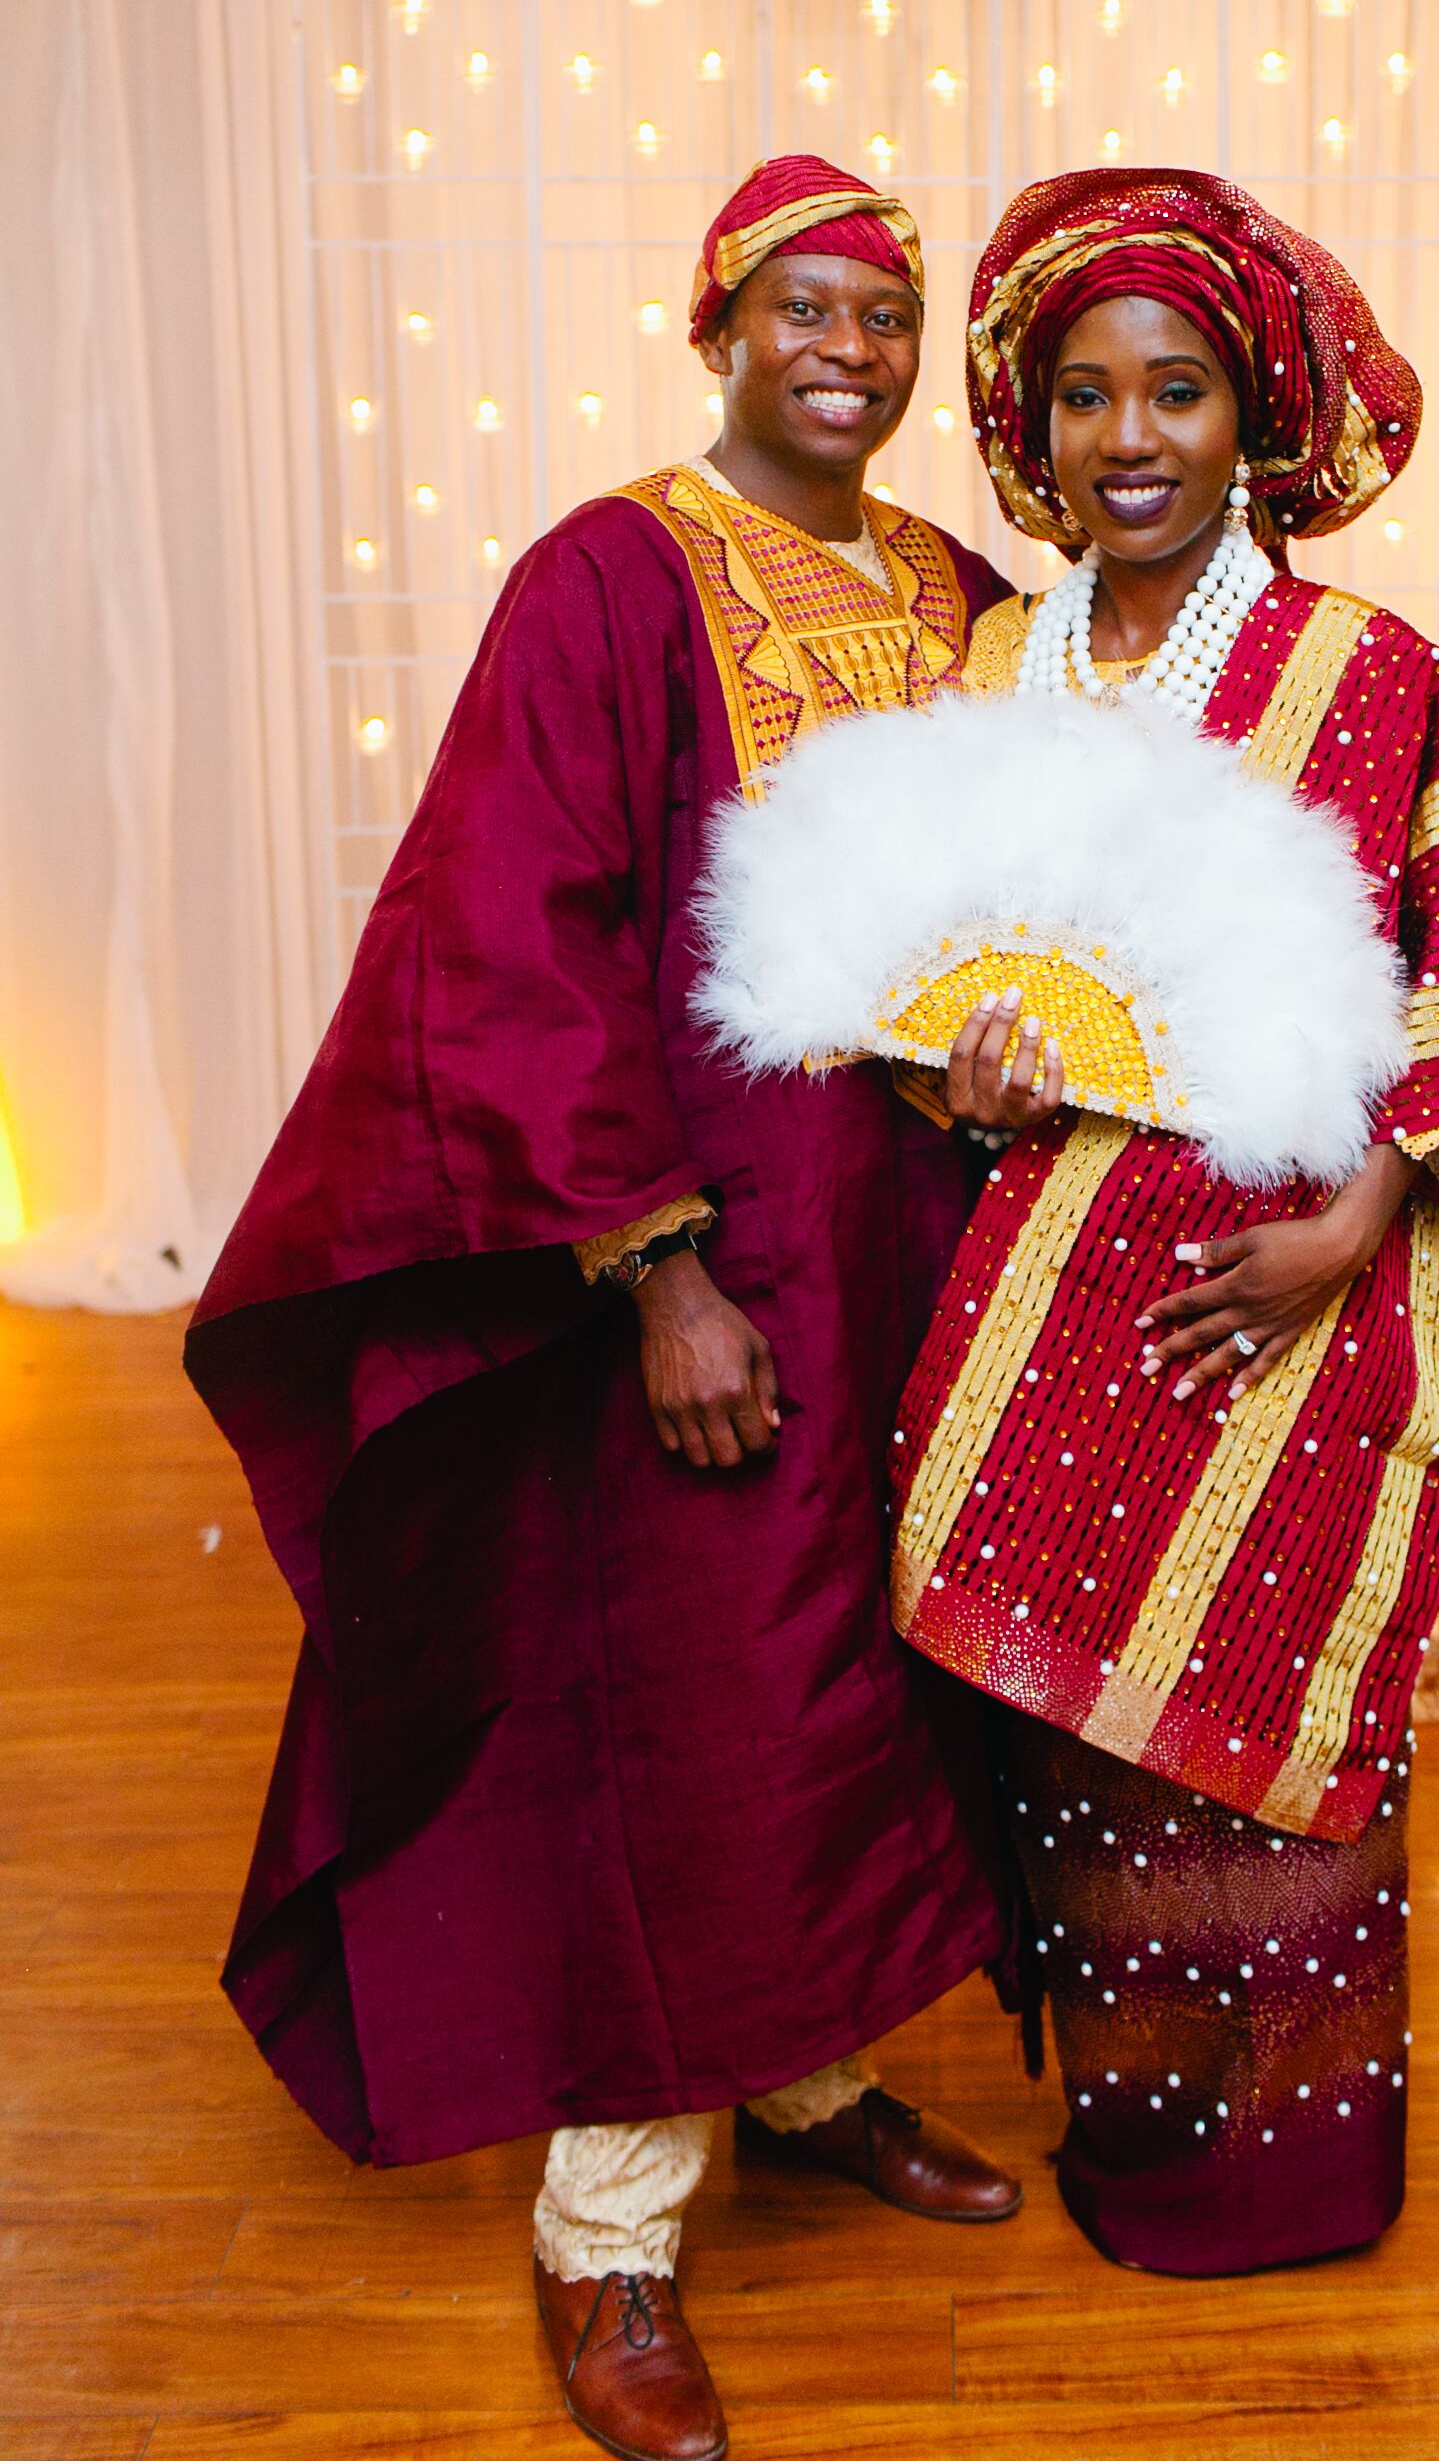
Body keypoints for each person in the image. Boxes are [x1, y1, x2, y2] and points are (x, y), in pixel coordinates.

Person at [185, 153, 1021, 2461]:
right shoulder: (611, 574)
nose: (849, 351)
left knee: (861, 1669)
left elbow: (1008, 892)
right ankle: (614, 2230)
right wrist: (656, 1275)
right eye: (805, 310)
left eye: (887, 316)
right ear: (717, 323)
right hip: (708, 1230)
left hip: (909, 1228)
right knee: (694, 1698)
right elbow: (510, 936)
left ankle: (816, 2073)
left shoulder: (954, 583)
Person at [888, 166, 1439, 2276]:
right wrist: (969, 1075)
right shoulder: (996, 658)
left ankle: (1293, 2178)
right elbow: (933, 986)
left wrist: (1356, 1228)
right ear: (1030, 429)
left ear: (1255, 423)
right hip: (1045, 1292)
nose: (1132, 439)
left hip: (1297, 1297)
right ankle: (1138, 2150)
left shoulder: (1372, 669)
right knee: (1086, 1769)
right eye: (1088, 396)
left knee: (1271, 1757)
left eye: (1180, 393)